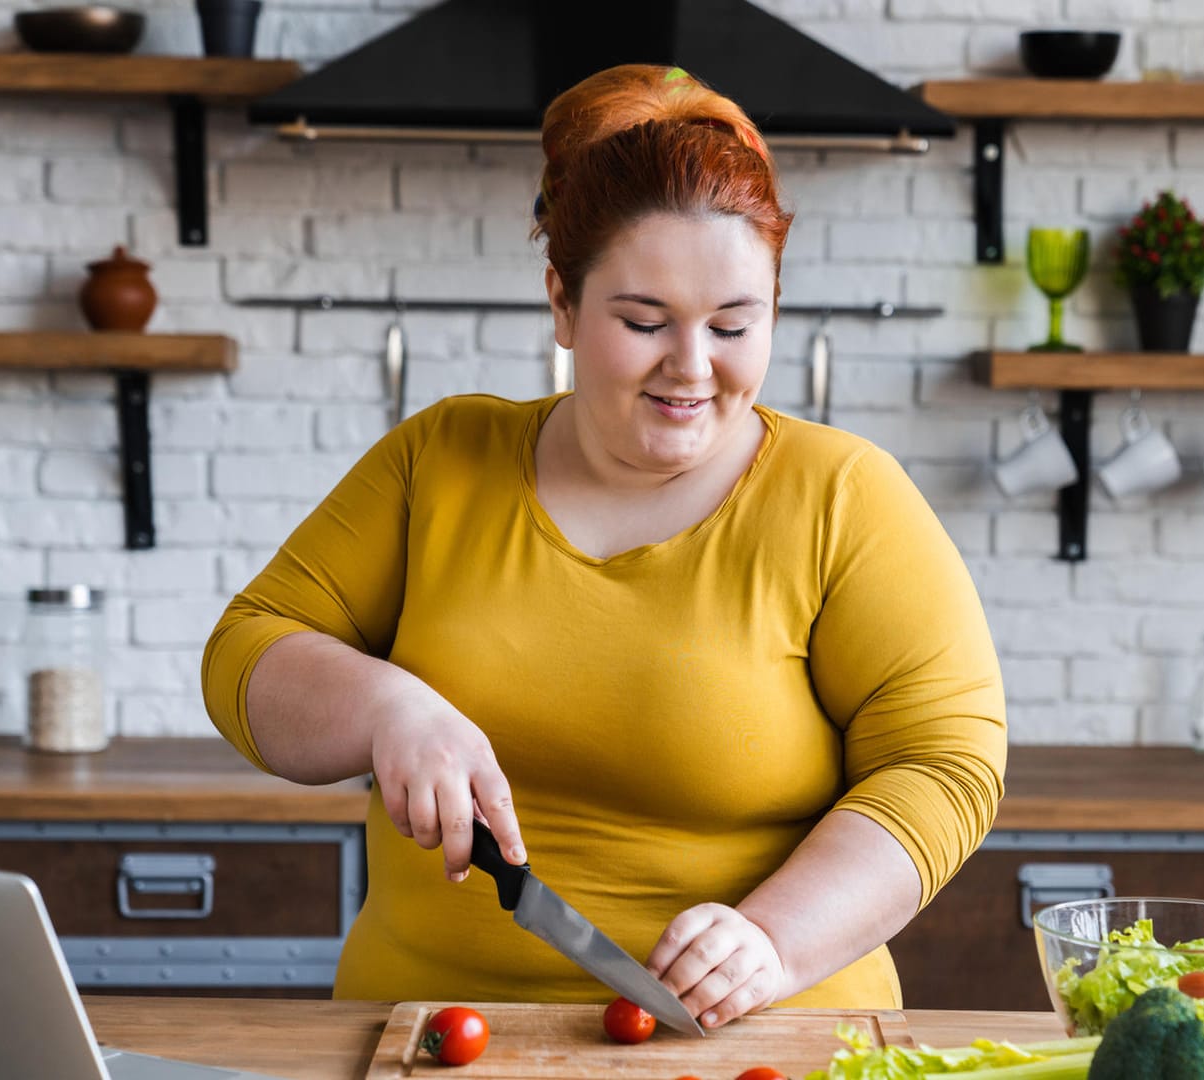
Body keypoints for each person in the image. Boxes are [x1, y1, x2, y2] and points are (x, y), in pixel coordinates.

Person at [202, 63, 1006, 1029]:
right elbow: (246, 650)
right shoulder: (440, 461)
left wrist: (774, 940)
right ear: (562, 304)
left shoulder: (845, 498)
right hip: (420, 1035)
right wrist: (386, 706)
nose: (693, 366)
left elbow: (946, 766)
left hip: (758, 1039)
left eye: (735, 324)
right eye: (643, 321)